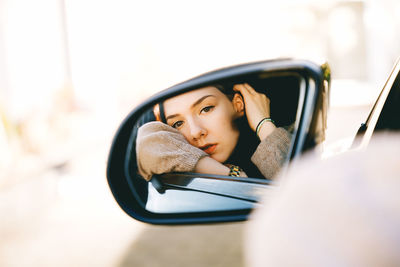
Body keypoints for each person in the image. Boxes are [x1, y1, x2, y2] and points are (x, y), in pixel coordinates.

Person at [136, 83, 292, 181]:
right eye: (178, 123)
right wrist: (231, 175)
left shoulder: (293, 138)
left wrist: (263, 124)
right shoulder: (182, 166)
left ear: (238, 104)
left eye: (206, 109)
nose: (196, 132)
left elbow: (301, 189)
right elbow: (148, 141)